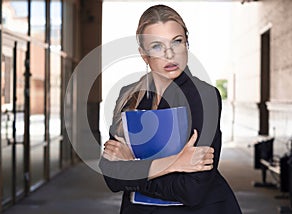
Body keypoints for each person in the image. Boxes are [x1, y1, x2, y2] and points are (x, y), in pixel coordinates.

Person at [99, 4, 242, 214]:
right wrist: (175, 163)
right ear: (143, 54)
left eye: (177, 41)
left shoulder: (204, 97)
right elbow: (112, 178)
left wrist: (134, 168)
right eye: (157, 46)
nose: (169, 54)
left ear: (187, 44)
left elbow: (193, 189)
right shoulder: (128, 96)